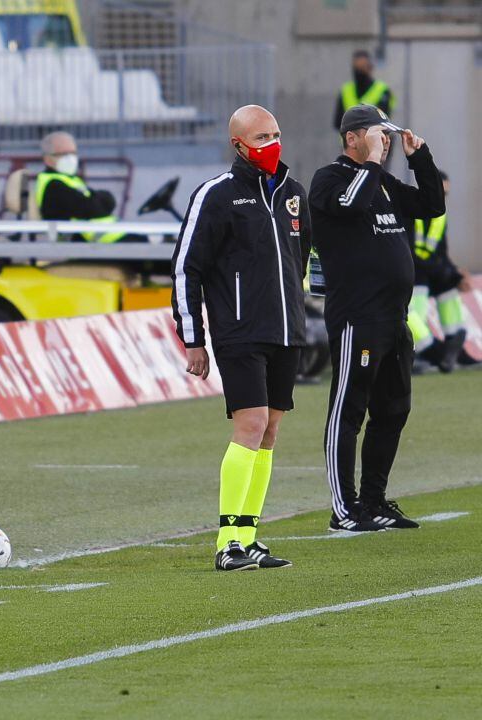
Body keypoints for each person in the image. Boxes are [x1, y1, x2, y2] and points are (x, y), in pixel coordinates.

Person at [171, 105, 310, 572]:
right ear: (238, 146)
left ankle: (249, 538)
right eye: (261, 138)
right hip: (239, 332)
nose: (271, 144)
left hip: (286, 331)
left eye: (275, 134)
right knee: (249, 427)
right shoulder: (216, 195)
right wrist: (194, 338)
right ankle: (226, 541)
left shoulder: (294, 193)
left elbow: (302, 256)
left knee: (269, 432)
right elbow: (186, 269)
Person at [309, 104, 445, 532]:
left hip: (393, 319)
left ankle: (373, 501)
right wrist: (369, 163)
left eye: (386, 135)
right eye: (376, 134)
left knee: (393, 410)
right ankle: (343, 508)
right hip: (357, 318)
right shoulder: (330, 179)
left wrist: (418, 158)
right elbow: (350, 206)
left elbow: (430, 205)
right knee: (348, 412)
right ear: (352, 138)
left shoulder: (381, 181)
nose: (383, 141)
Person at [407, 170, 475, 373]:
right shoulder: (409, 208)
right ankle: (429, 353)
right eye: (440, 193)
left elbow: (441, 253)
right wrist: (450, 274)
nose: (443, 199)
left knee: (449, 287)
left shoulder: (439, 215)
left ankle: (455, 345)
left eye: (446, 195)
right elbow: (409, 252)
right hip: (411, 271)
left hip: (428, 270)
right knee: (414, 307)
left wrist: (455, 274)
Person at [35, 131, 131, 243]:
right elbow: (93, 209)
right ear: (48, 160)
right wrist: (98, 200)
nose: (70, 158)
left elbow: (107, 201)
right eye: (64, 154)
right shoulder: (54, 185)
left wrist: (97, 200)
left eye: (73, 153)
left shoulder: (70, 180)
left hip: (110, 239)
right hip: (94, 245)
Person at [333, 50, 395, 131]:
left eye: (362, 68)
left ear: (370, 68)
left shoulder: (382, 90)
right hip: (349, 142)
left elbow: (383, 122)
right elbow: (337, 122)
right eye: (356, 68)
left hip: (373, 142)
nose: (359, 72)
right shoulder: (346, 90)